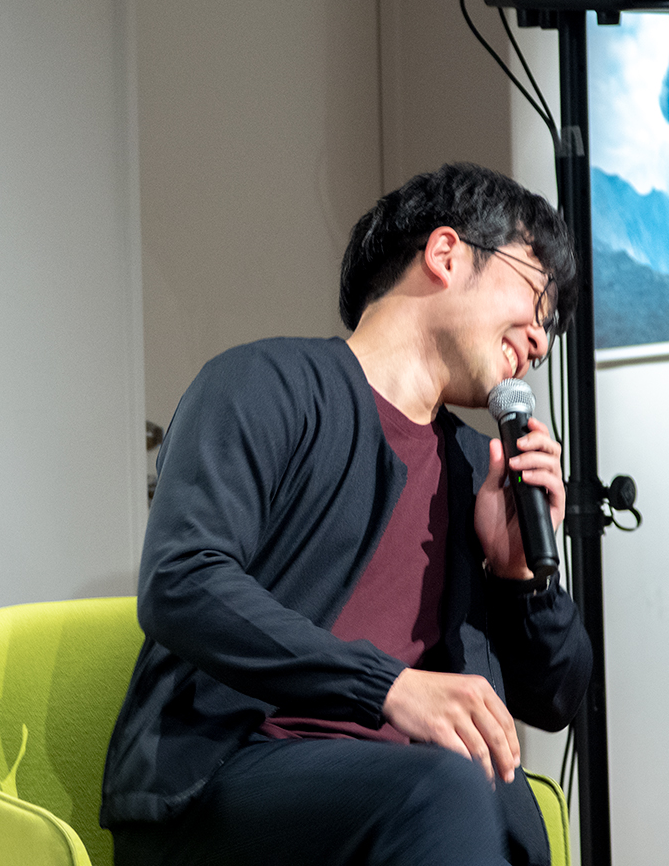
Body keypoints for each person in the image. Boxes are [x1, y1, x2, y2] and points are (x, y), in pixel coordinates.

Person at [101, 163, 593, 866]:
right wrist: (386, 687)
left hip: (420, 801)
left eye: (549, 329)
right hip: (229, 780)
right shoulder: (265, 385)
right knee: (441, 790)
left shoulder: (475, 466)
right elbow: (182, 581)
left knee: (475, 806)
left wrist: (522, 580)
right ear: (446, 254)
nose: (540, 341)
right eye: (535, 297)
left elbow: (558, 698)